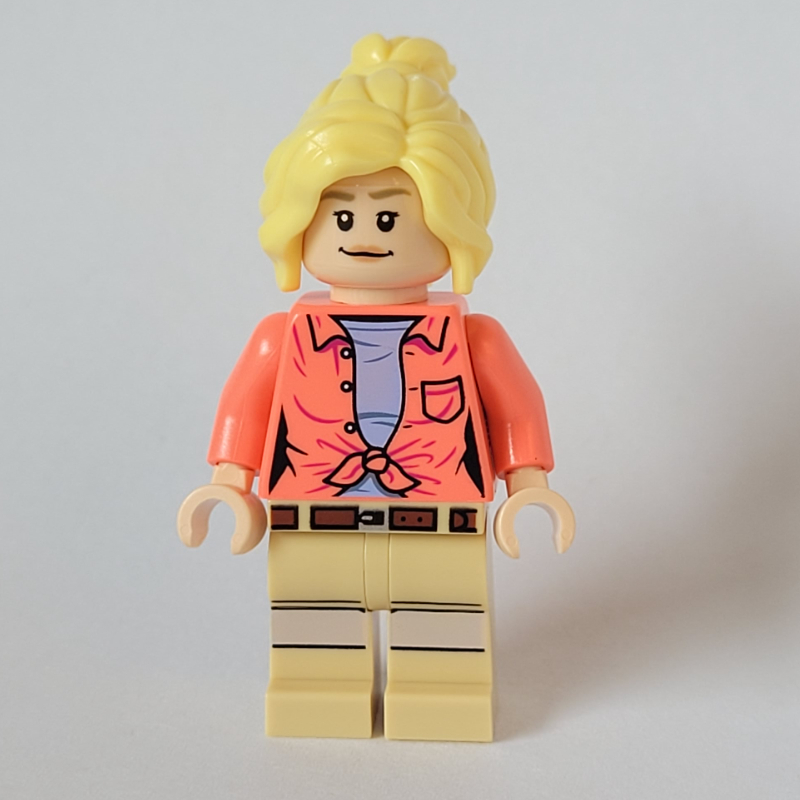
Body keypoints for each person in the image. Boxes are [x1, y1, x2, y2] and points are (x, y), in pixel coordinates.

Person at [177, 33, 574, 742]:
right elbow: (246, 407)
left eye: (390, 216)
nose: (365, 234)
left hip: (439, 515)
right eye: (341, 214)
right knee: (315, 632)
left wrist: (529, 487)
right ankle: (318, 691)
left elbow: (517, 407)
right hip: (312, 514)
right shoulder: (281, 336)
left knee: (443, 632)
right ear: (300, 218)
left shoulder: (474, 338)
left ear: (452, 223)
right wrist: (229, 483)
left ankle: (441, 695)